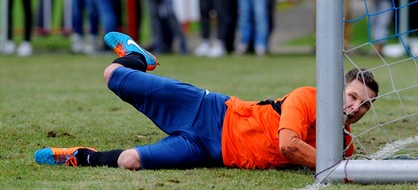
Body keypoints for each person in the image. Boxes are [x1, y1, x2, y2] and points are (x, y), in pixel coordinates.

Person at [34, 31, 379, 170]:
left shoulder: (344, 148)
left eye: (364, 105)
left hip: (210, 152)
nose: (355, 107)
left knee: (129, 161)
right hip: (210, 111)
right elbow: (288, 145)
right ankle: (138, 56)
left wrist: (341, 162)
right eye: (352, 96)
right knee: (113, 75)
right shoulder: (308, 98)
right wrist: (336, 168)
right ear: (338, 90)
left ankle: (80, 156)